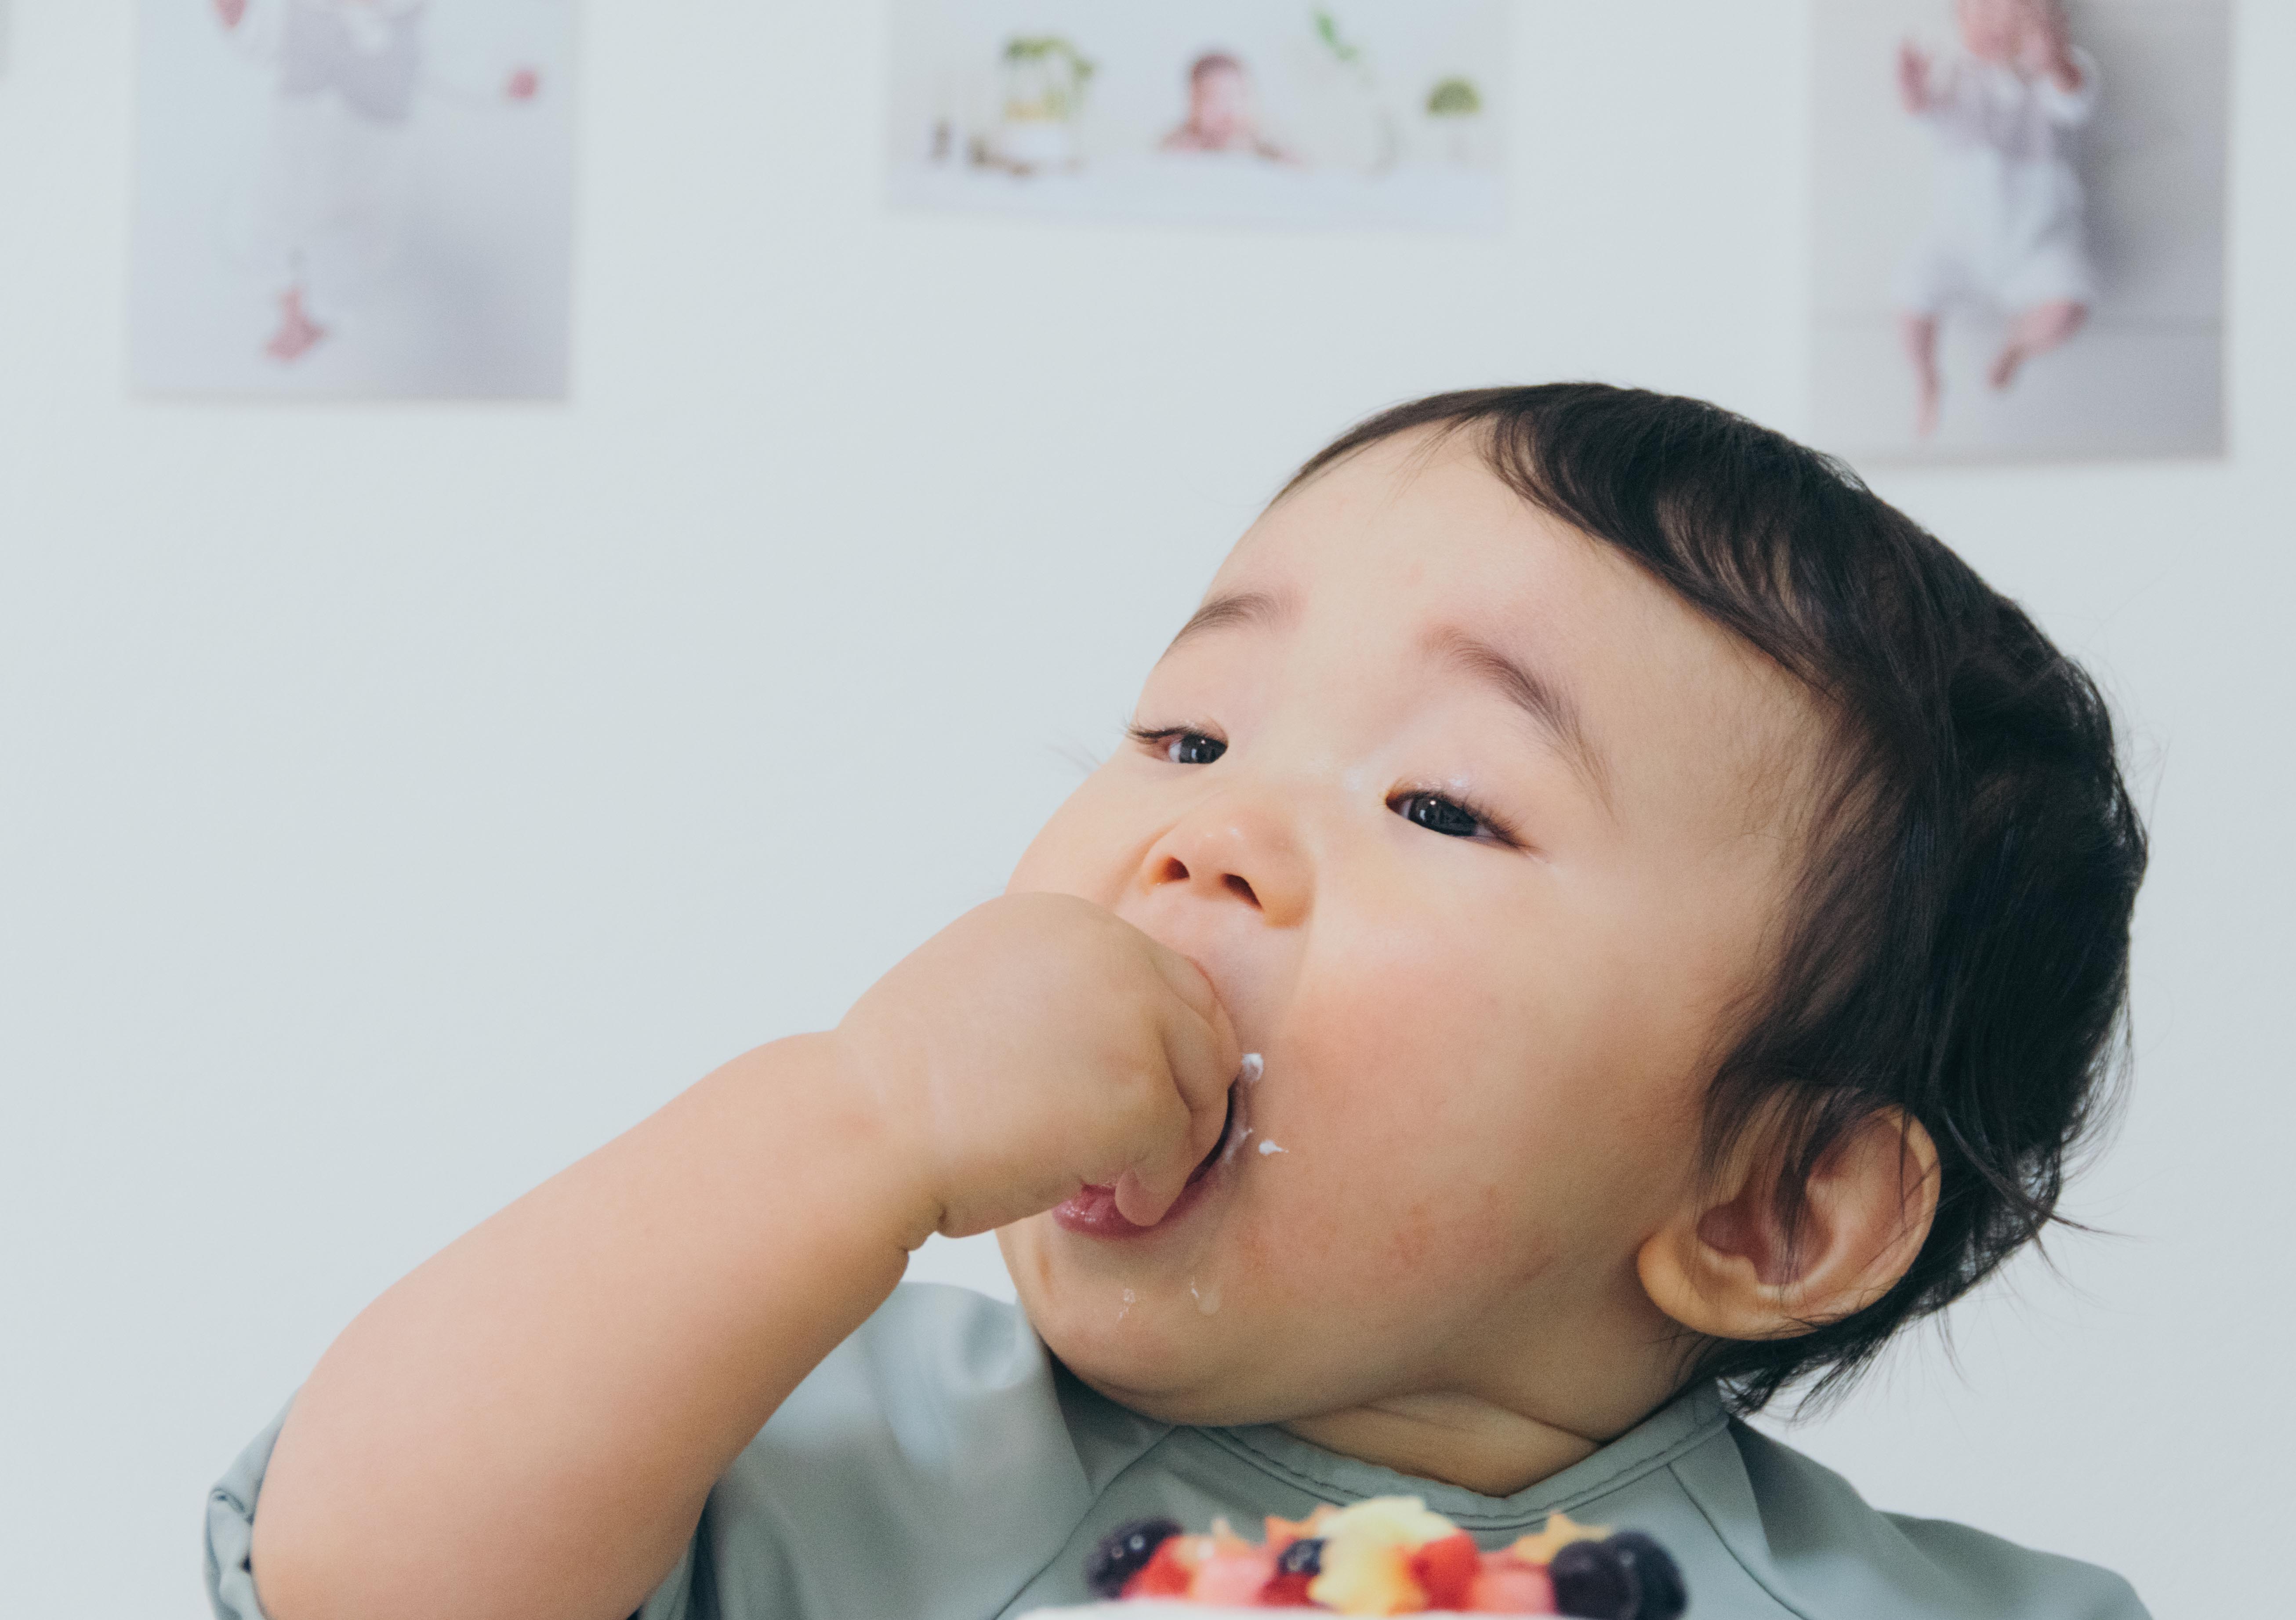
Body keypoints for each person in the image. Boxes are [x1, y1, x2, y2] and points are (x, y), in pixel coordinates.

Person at [208, 385, 2150, 1620]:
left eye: (1443, 803)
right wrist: (854, 1114)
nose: (1211, 833)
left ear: (1769, 1202)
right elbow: (363, 1574)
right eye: (1187, 729)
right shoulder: (807, 1443)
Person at [209, 0, 541, 364]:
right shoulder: (299, 10)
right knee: (262, 213)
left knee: (363, 236)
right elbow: (259, 42)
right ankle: (288, 303)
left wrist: (501, 80)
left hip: (370, 145)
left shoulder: (414, 20)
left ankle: (325, 314)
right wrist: (235, 14)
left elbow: (457, 58)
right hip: (294, 132)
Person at [1894, 0, 2097, 436]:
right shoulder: (1951, 75)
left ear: (2050, 24)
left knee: (2069, 306)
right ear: (1959, 20)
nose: (1997, 27)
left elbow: (2074, 98)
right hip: (1958, 240)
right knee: (1911, 295)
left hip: (2038, 239)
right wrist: (1911, 89)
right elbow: (1922, 115)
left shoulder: (2056, 73)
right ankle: (1926, 376)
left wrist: (2054, 63)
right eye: (1982, 14)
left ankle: (2017, 347)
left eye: (2017, 17)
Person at [1161, 51, 1293, 162]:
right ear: (1194, 104)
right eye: (1215, 99)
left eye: (1237, 96)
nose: (1228, 110)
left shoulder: (1263, 140)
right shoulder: (1180, 142)